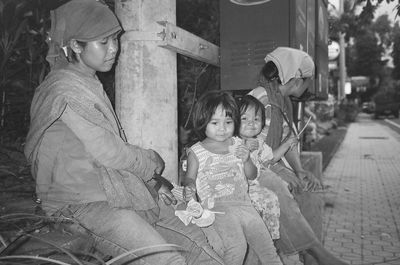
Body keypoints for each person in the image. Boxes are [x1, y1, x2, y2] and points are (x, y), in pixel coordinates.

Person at [23, 1, 223, 264]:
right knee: (168, 261)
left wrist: (153, 181)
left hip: (117, 191)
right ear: (75, 45)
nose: (114, 49)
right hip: (82, 205)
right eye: (103, 42)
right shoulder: (65, 90)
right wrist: (152, 162)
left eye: (115, 39)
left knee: (202, 246)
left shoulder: (88, 81)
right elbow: (109, 152)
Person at [248, 47, 349, 265]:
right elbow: (253, 153)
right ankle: (317, 253)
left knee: (310, 191)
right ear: (295, 80)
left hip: (272, 163)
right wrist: (283, 174)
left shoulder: (282, 101)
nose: (307, 86)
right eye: (307, 80)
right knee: (283, 190)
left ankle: (312, 258)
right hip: (253, 167)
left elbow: (288, 138)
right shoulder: (261, 100)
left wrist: (299, 170)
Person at [182, 91, 282, 265]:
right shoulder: (196, 152)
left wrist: (247, 160)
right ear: (202, 122)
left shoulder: (237, 144)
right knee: (237, 247)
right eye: (215, 122)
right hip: (218, 208)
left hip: (245, 205)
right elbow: (189, 178)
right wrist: (189, 188)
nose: (222, 128)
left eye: (228, 122)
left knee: (268, 250)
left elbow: (252, 175)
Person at [238, 94, 298, 240]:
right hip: (238, 190)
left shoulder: (259, 143)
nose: (251, 123)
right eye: (244, 118)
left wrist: (287, 144)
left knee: (275, 197)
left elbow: (271, 158)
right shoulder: (231, 142)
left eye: (256, 119)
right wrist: (243, 147)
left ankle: (270, 239)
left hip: (255, 187)